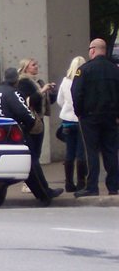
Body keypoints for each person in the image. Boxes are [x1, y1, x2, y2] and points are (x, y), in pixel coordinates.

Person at [0, 68, 59, 205]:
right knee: (32, 162)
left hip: (2, 133)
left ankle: (42, 193)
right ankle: (44, 193)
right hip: (16, 132)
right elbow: (23, 112)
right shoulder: (12, 93)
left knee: (25, 165)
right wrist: (31, 123)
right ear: (16, 79)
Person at [72, 38, 119, 197]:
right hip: (111, 117)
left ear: (92, 50)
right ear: (104, 50)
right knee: (111, 151)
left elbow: (77, 93)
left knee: (90, 151)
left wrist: (79, 113)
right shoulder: (115, 69)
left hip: (89, 117)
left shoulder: (84, 70)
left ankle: (92, 186)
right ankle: (113, 186)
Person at [16, 57, 63, 202]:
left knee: (36, 152)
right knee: (33, 154)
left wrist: (51, 92)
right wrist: (42, 90)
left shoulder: (37, 82)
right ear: (25, 68)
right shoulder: (24, 82)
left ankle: (35, 183)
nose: (36, 67)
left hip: (39, 119)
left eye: (36, 64)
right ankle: (32, 184)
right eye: (33, 65)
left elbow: (45, 101)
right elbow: (28, 101)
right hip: (31, 120)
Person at [56, 56, 87, 192]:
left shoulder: (65, 81)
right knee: (81, 152)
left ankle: (68, 183)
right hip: (81, 120)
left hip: (67, 120)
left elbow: (59, 100)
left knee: (69, 152)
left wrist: (67, 108)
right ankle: (81, 182)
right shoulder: (85, 81)